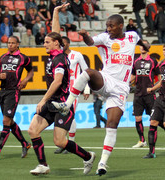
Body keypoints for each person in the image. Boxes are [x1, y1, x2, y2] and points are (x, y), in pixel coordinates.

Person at [52, 12, 149, 175]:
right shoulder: (105, 38)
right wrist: (85, 36)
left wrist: (144, 50)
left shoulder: (132, 36)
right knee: (88, 72)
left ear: (120, 26)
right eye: (107, 26)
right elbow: (90, 42)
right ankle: (67, 105)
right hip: (106, 79)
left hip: (121, 89)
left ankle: (102, 163)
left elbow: (139, 42)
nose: (108, 28)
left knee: (111, 126)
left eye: (111, 26)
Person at [28, 6, 95, 174]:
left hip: (63, 104)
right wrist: (56, 12)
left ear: (56, 44)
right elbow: (55, 33)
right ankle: (43, 165)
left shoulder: (59, 59)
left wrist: (42, 100)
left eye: (47, 42)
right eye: (44, 42)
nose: (44, 44)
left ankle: (88, 157)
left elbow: (57, 82)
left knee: (59, 141)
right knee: (32, 130)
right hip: (52, 102)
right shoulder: (53, 55)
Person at [0, 36, 34, 160]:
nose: (10, 45)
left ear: (18, 44)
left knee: (5, 121)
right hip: (2, 91)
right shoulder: (2, 58)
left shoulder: (23, 58)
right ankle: (25, 143)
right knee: (9, 121)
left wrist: (25, 80)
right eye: (9, 43)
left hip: (13, 91)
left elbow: (31, 71)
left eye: (13, 43)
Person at [130, 40, 165, 148]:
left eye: (144, 45)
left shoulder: (153, 61)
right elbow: (133, 75)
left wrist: (156, 87)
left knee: (154, 118)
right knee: (138, 118)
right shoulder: (135, 61)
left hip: (149, 94)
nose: (142, 47)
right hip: (138, 94)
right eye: (140, 45)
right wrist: (127, 82)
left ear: (148, 47)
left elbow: (160, 77)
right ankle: (142, 140)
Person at [53, 35, 90, 154]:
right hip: (61, 91)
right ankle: (64, 143)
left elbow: (86, 70)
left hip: (74, 90)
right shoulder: (58, 57)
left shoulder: (77, 55)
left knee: (70, 115)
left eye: (63, 43)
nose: (62, 46)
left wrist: (87, 88)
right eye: (60, 44)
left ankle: (70, 143)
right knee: (61, 116)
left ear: (68, 43)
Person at [143, 42, 165, 158]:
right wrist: (152, 88)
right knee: (153, 123)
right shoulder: (161, 64)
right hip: (161, 99)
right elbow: (162, 81)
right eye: (164, 50)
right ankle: (151, 152)